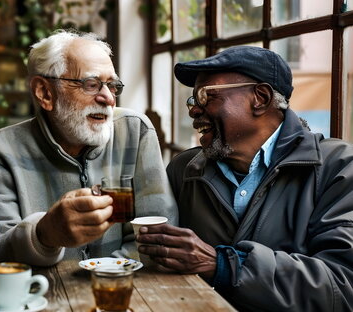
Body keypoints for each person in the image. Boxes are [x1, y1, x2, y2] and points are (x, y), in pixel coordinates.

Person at [136, 46, 353, 311]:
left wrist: (224, 266)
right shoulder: (184, 169)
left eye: (206, 96)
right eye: (193, 101)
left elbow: (343, 286)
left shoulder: (338, 167)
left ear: (259, 98)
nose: (194, 111)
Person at [0, 30, 178, 266]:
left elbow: (158, 237)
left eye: (112, 86)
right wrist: (44, 235)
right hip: (42, 295)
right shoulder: (0, 151)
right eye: (91, 84)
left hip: (123, 288)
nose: (108, 98)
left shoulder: (134, 132)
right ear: (45, 93)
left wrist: (101, 276)